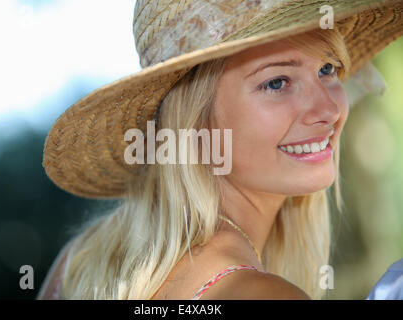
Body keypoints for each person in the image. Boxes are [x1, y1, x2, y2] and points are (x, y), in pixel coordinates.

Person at [37, 0, 402, 300]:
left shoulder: (86, 261)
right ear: (195, 123)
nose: (328, 110)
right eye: (277, 82)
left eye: (327, 68)